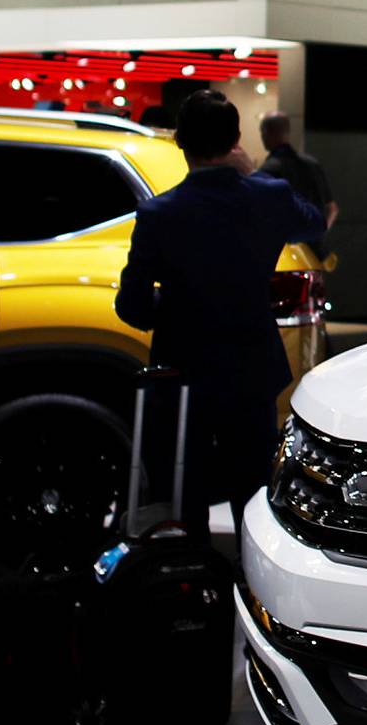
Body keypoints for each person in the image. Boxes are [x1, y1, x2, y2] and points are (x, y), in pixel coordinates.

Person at [115, 89, 326, 545]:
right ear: (236, 140)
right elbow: (314, 223)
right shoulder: (269, 196)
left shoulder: (158, 214)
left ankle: (191, 584)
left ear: (180, 142)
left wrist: (168, 313)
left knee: (183, 490)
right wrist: (251, 173)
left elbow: (130, 306)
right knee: (253, 492)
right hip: (251, 366)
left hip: (183, 372)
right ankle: (250, 590)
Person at [257, 110, 337, 229]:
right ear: (288, 132)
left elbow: (262, 213)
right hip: (314, 245)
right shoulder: (312, 164)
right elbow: (332, 208)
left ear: (266, 133)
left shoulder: (268, 169)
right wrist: (319, 232)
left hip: (284, 246)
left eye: (262, 132)